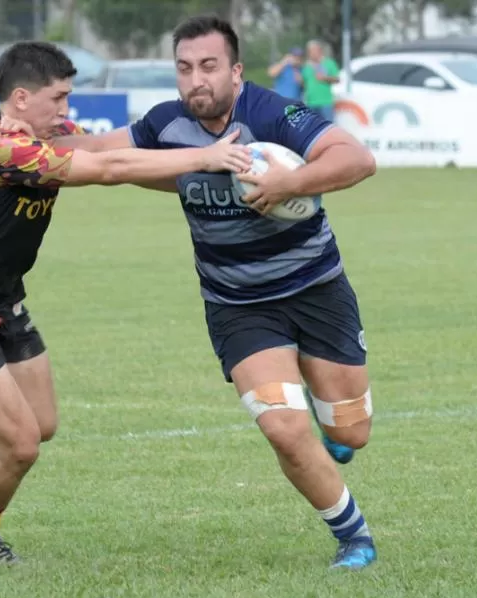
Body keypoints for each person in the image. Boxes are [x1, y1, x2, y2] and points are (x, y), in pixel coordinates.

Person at [0, 40, 253, 564]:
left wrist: (213, 176)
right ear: (19, 99)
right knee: (21, 445)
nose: (66, 111)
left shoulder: (48, 134)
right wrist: (208, 156)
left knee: (41, 423)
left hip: (5, 302)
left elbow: (112, 154)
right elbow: (106, 170)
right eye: (57, 99)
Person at [29, 16, 379, 569]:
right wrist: (18, 136)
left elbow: (357, 159)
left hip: (317, 289)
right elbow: (101, 153)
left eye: (209, 67)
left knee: (351, 433)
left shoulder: (271, 113)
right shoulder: (166, 125)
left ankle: (330, 423)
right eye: (186, 68)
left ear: (236, 72)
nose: (197, 80)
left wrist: (291, 183)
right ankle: (353, 537)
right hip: (238, 305)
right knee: (284, 430)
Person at [301, 39, 340, 122]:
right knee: (313, 128)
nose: (311, 53)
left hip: (325, 102)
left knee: (328, 127)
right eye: (310, 51)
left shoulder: (329, 63)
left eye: (313, 50)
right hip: (311, 102)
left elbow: (337, 79)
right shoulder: (306, 65)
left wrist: (325, 78)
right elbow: (304, 83)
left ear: (319, 50)